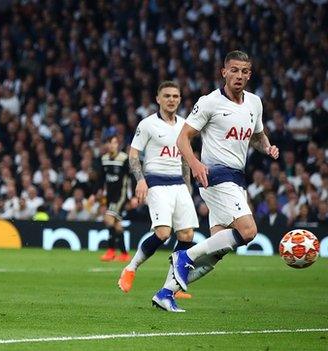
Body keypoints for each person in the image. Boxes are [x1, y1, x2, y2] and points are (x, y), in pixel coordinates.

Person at [170, 50, 279, 311]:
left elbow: (256, 134)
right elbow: (183, 137)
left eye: (244, 71)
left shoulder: (255, 103)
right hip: (215, 174)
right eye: (234, 70)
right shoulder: (209, 102)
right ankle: (184, 256)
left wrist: (267, 146)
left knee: (216, 253)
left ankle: (165, 292)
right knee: (249, 231)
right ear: (224, 72)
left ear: (249, 75)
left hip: (237, 178)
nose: (239, 75)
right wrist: (195, 163)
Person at [119, 81, 197, 304]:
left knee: (186, 235)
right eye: (167, 96)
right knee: (163, 233)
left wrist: (188, 186)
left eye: (175, 96)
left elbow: (184, 158)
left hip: (179, 185)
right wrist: (141, 180)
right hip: (156, 181)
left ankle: (172, 286)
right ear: (158, 99)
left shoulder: (184, 125)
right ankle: (131, 268)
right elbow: (133, 154)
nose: (171, 99)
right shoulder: (147, 125)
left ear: (180, 99)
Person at [97, 135, 131, 262]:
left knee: (108, 219)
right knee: (117, 225)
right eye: (110, 143)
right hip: (109, 196)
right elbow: (101, 178)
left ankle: (111, 251)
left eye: (114, 143)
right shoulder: (104, 159)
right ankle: (124, 253)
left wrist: (132, 197)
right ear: (107, 145)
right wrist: (97, 192)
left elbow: (131, 177)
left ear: (118, 144)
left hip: (120, 196)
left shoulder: (124, 159)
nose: (112, 145)